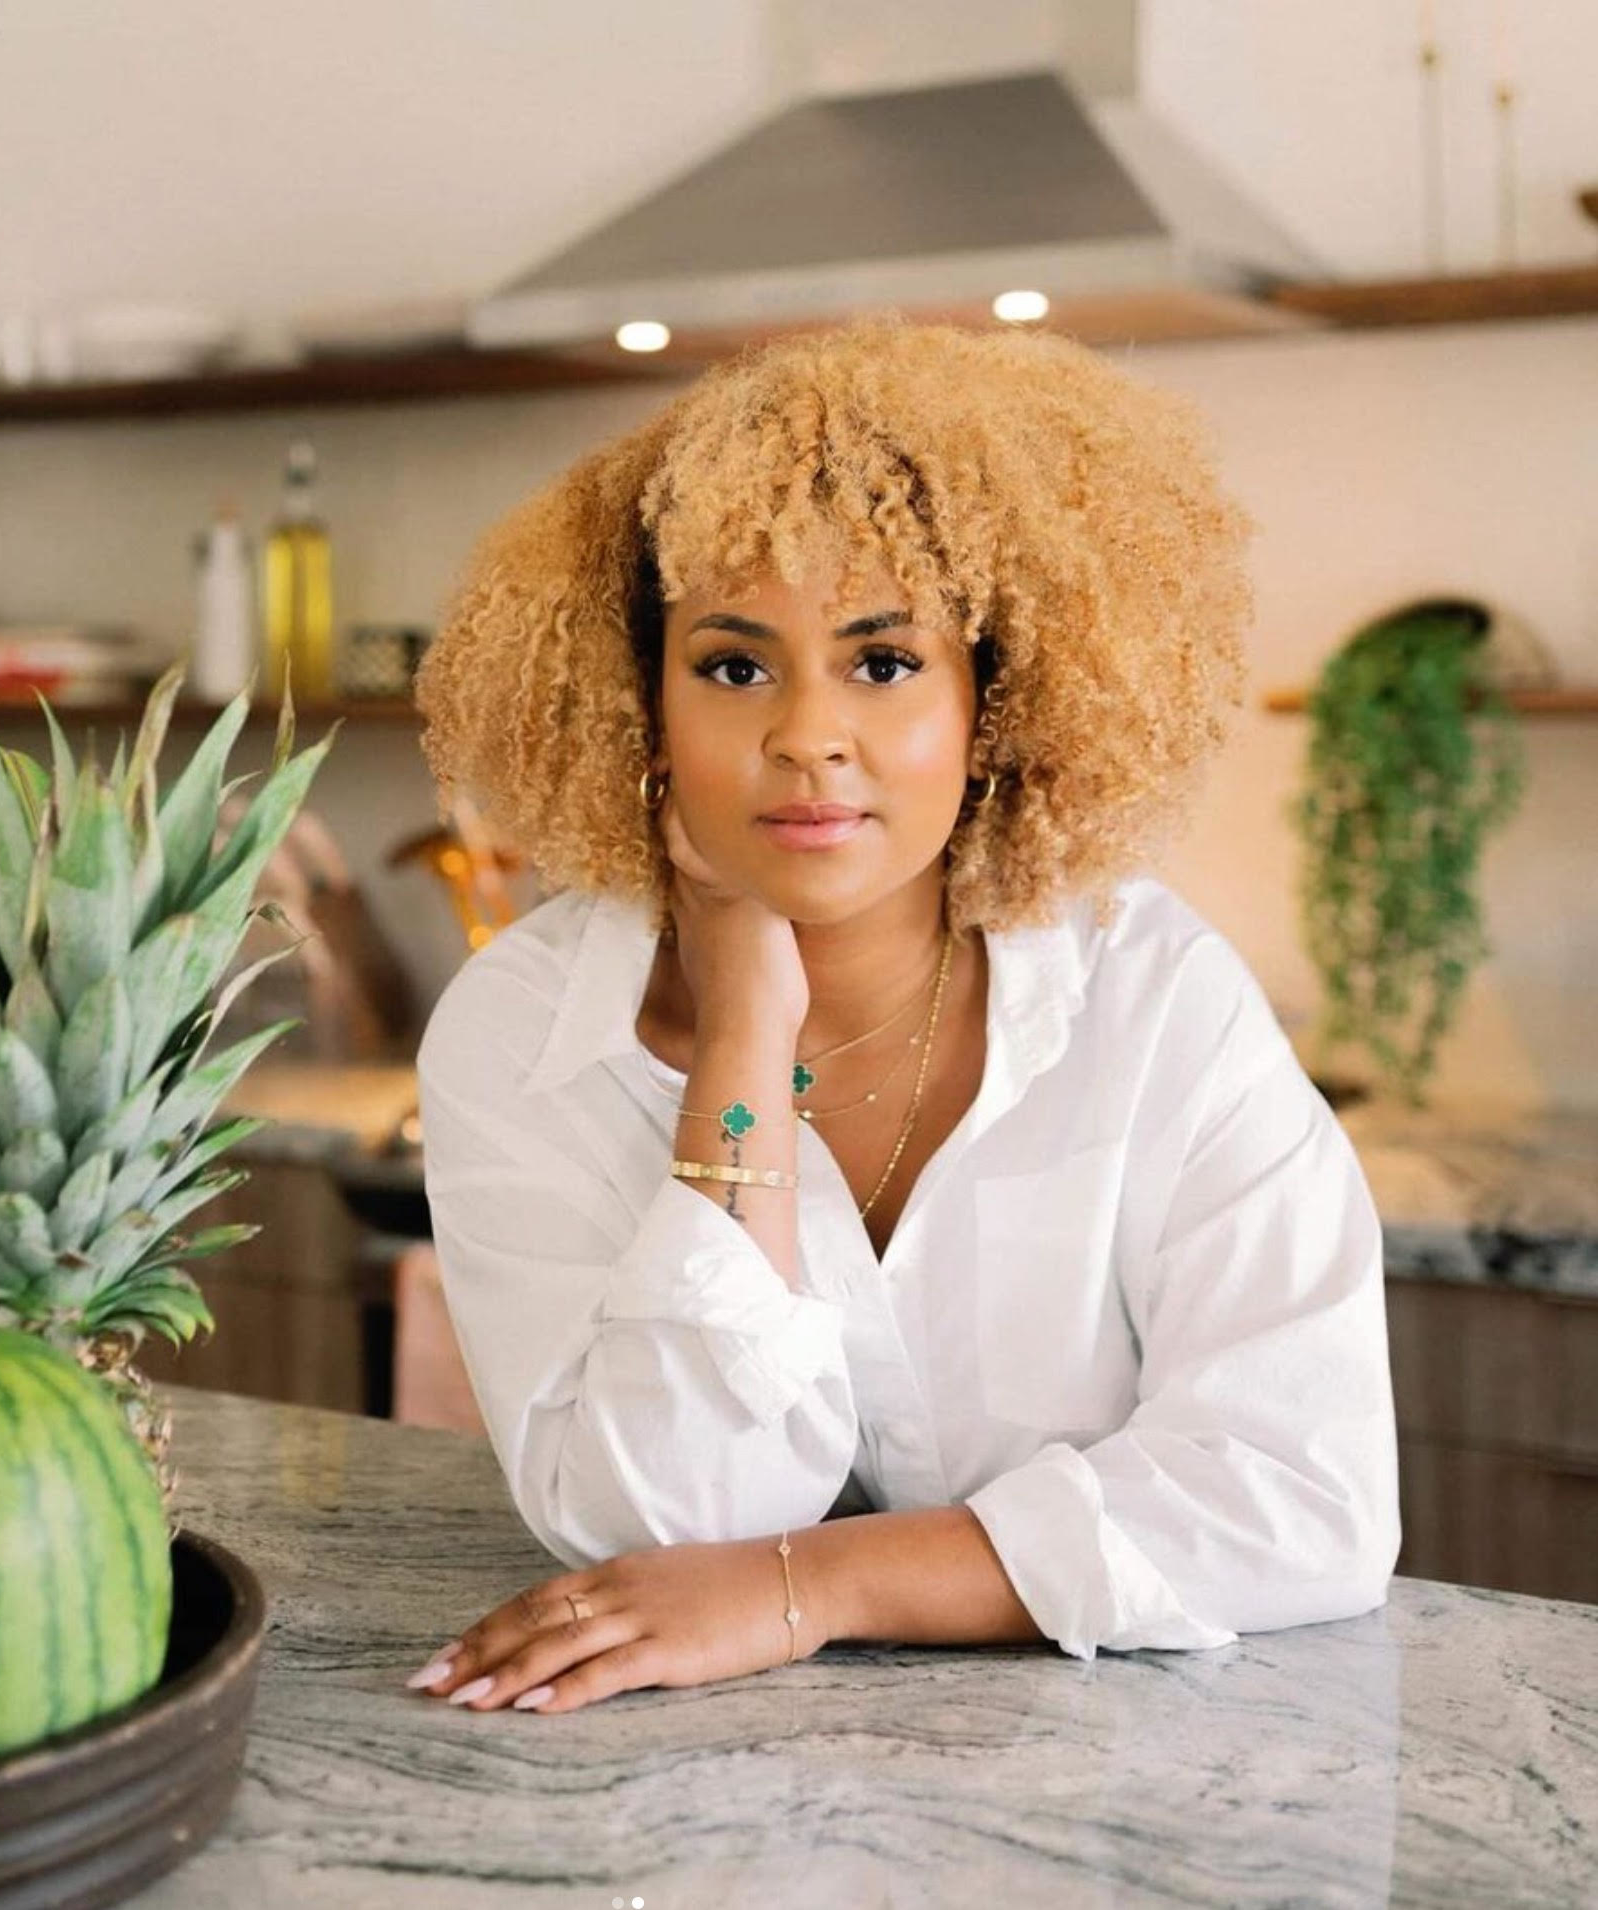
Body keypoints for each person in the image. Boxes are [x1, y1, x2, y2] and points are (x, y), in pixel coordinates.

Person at [400, 317, 1400, 1718]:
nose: (809, 734)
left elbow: (1306, 1492)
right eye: (734, 666)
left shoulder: (1148, 989)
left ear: (989, 703)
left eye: (881, 662)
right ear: (641, 704)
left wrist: (805, 1588)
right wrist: (743, 1025)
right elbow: (658, 1523)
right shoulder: (523, 1028)